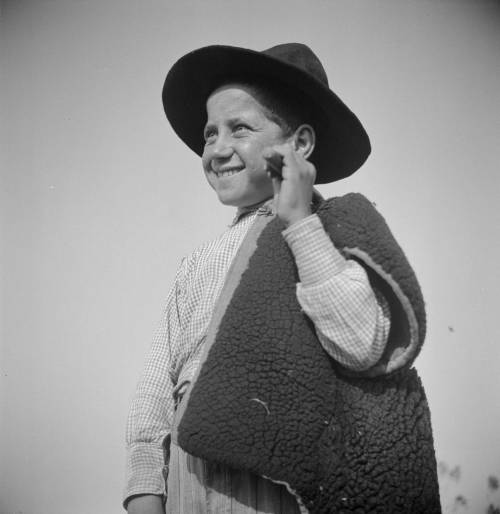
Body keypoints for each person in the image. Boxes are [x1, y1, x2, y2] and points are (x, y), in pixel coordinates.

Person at [124, 43, 440, 514]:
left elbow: (362, 342)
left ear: (300, 145)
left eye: (240, 129)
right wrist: (146, 486)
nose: (218, 149)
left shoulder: (331, 231)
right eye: (210, 134)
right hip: (189, 475)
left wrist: (298, 223)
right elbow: (155, 389)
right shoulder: (196, 264)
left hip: (278, 479)